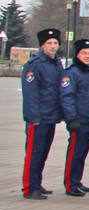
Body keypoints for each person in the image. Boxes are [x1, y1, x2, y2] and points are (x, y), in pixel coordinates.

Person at [21, 29, 64, 200]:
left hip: (51, 115)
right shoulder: (34, 64)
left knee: (43, 153)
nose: (53, 46)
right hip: (38, 118)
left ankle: (37, 183)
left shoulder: (56, 63)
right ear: (42, 46)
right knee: (34, 153)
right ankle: (29, 188)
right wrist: (33, 117)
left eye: (55, 43)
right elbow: (30, 93)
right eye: (49, 43)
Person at [60, 38, 89, 196]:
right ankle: (70, 184)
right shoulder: (71, 73)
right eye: (84, 53)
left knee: (82, 152)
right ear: (77, 55)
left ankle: (77, 180)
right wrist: (71, 118)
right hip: (78, 120)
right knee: (75, 152)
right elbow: (67, 97)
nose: (87, 56)